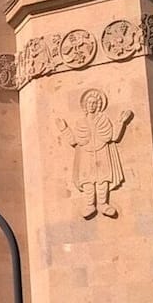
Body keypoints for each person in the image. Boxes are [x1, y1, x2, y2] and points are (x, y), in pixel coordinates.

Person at [55, 89, 133, 218]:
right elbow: (74, 141)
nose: (91, 105)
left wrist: (121, 122)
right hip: (86, 152)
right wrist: (64, 129)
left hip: (102, 151)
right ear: (85, 106)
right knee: (87, 179)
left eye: (94, 103)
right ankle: (89, 205)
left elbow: (113, 137)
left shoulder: (103, 120)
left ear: (98, 105)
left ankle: (103, 204)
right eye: (89, 103)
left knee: (103, 178)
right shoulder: (81, 122)